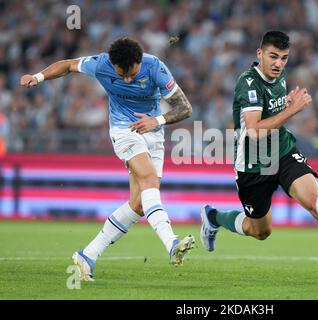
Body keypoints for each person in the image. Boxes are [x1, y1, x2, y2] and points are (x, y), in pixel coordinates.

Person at [199, 31, 318, 285]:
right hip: (253, 163)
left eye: (283, 58)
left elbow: (272, 112)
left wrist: (286, 104)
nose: (278, 64)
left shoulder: (279, 75)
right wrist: (293, 109)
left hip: (283, 151)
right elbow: (254, 130)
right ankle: (213, 217)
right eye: (273, 57)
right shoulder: (248, 83)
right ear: (259, 54)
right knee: (259, 231)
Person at [20, 37, 195, 281]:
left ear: (139, 62)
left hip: (153, 132)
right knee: (149, 181)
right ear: (112, 64)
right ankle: (172, 243)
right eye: (120, 74)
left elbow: (185, 108)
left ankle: (87, 255)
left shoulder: (155, 67)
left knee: (139, 204)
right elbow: (69, 65)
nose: (125, 79)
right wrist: (38, 77)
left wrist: (157, 120)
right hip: (124, 131)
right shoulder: (101, 64)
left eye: (131, 74)